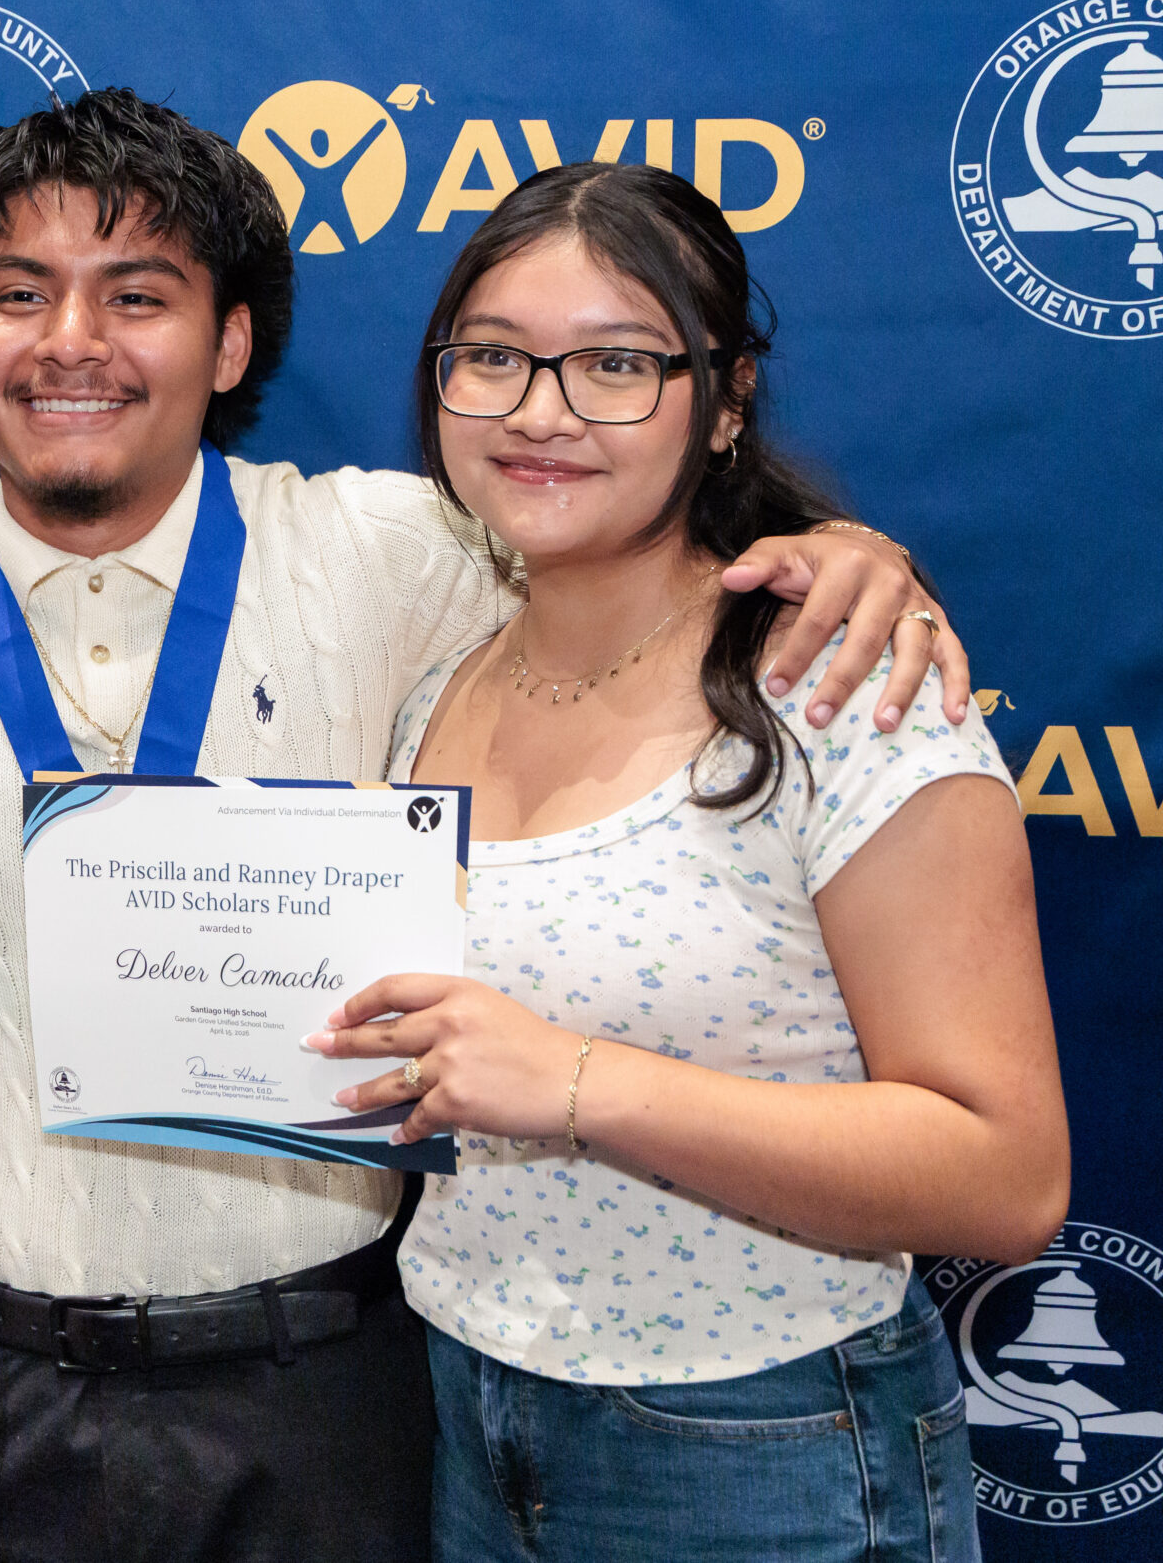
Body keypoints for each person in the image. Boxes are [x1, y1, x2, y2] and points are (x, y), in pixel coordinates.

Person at [0, 89, 971, 1563]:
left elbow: (626, 527)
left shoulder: (411, 553)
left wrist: (835, 549)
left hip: (333, 1386)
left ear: (229, 343)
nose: (74, 342)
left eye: (137, 294)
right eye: (18, 295)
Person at [305, 162, 1069, 1561]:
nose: (542, 411)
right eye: (493, 358)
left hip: (765, 1445)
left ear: (724, 401)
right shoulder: (439, 681)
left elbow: (1003, 1176)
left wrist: (580, 1083)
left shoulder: (841, 695)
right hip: (469, 1410)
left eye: (615, 364)